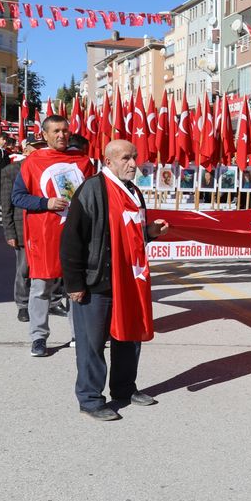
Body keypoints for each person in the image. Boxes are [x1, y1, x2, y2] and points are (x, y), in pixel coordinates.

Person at [61, 140, 169, 421]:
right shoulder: (92, 189)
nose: (134, 164)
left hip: (129, 281)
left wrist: (150, 232)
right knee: (92, 344)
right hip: (97, 282)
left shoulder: (133, 191)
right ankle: (90, 399)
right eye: (126, 158)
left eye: (134, 157)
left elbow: (128, 237)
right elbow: (72, 239)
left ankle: (124, 388)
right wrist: (74, 283)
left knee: (129, 337)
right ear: (108, 162)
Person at [13, 115, 95, 358]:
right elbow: (18, 197)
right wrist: (45, 202)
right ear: (45, 135)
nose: (62, 135)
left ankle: (78, 335)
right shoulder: (33, 161)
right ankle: (38, 337)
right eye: (56, 131)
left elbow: (93, 195)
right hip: (45, 236)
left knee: (76, 287)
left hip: (76, 235)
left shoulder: (82, 161)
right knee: (41, 287)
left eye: (65, 131)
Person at [2, 141, 31, 323]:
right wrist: (10, 232)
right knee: (24, 269)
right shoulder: (11, 171)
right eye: (37, 147)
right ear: (26, 150)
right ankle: (23, 305)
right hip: (22, 228)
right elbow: (6, 205)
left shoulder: (48, 167)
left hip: (44, 226)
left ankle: (53, 301)